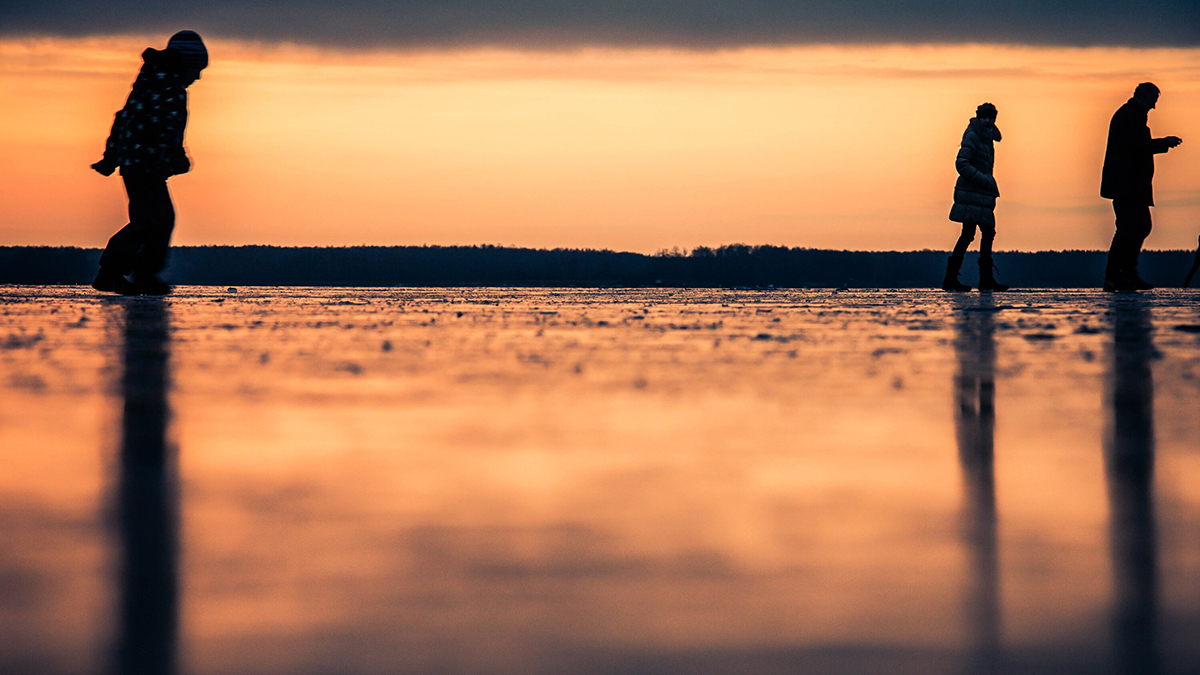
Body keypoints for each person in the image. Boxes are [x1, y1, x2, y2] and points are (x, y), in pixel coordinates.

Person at [90, 31, 208, 296]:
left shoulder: (149, 84)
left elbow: (124, 118)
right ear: (184, 63)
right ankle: (112, 272)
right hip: (145, 166)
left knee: (160, 218)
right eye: (196, 69)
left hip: (141, 165)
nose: (198, 77)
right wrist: (175, 157)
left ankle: (144, 274)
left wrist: (112, 156)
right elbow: (166, 129)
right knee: (150, 220)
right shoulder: (169, 88)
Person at [1101, 82, 1183, 292]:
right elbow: (1138, 146)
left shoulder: (1130, 114)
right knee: (1129, 229)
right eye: (1153, 100)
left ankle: (1125, 275)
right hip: (1127, 185)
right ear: (1144, 96)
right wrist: (1165, 142)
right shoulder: (1131, 116)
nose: (1154, 106)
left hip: (1131, 185)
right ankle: (1116, 277)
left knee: (1138, 227)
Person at [944, 103, 1008, 292]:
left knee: (985, 232)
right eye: (984, 117)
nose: (988, 121)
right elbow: (961, 163)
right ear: (979, 118)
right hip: (972, 194)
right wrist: (984, 180)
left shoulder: (987, 138)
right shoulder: (973, 136)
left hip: (981, 196)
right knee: (971, 234)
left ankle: (984, 280)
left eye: (991, 117)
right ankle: (952, 279)